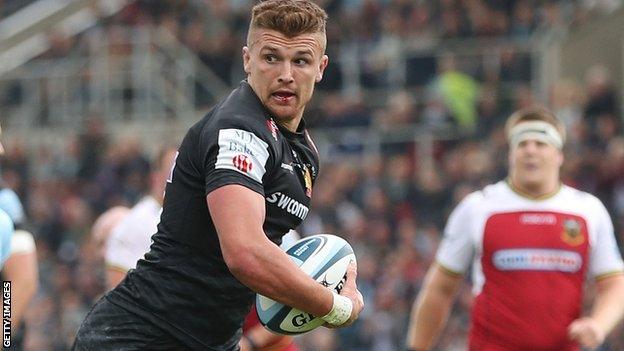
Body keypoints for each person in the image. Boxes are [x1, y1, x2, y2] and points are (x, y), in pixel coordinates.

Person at [73, 1, 363, 349]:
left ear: (321, 68)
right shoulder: (238, 130)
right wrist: (333, 305)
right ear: (247, 60)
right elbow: (245, 253)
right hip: (144, 336)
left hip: (208, 339)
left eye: (300, 60)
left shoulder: (303, 151)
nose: (286, 73)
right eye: (271, 57)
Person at [406, 107, 624, 351]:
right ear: (510, 154)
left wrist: (598, 325)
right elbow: (440, 289)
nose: (530, 150)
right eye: (522, 144)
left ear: (559, 155)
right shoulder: (477, 207)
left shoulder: (587, 210)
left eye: (541, 143)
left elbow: (615, 283)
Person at [104, 146, 177, 289]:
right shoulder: (135, 222)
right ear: (155, 177)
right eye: (173, 168)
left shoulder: (186, 218)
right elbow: (117, 285)